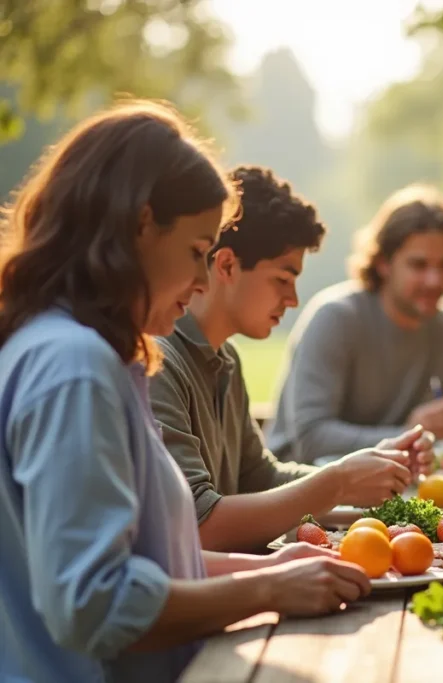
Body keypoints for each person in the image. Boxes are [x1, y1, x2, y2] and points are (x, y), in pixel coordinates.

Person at [0, 101, 372, 683]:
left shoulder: (97, 357)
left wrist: (259, 571)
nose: (203, 280)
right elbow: (95, 605)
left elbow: (149, 560)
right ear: (141, 225)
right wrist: (267, 587)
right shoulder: (72, 367)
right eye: (198, 252)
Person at [149, 166, 434, 553]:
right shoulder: (158, 362)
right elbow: (200, 526)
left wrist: (368, 469)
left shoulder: (224, 357)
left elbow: (260, 477)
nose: (293, 300)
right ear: (228, 265)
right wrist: (339, 482)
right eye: (283, 279)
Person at [265, 183, 443, 463]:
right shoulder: (336, 318)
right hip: (304, 489)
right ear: (383, 263)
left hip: (395, 486)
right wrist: (405, 434)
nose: (435, 280)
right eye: (419, 265)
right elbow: (311, 440)